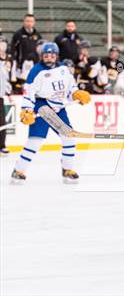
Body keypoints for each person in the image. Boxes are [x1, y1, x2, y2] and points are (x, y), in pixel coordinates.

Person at [10, 42, 91, 183]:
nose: (49, 58)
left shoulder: (64, 69)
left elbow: (71, 88)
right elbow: (28, 93)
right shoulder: (36, 71)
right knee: (36, 141)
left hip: (58, 107)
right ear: (42, 56)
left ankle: (67, 169)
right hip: (42, 106)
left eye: (52, 55)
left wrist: (77, 94)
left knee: (69, 138)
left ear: (56, 56)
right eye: (46, 55)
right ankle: (19, 170)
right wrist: (26, 110)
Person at [10, 14, 43, 94]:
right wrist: (15, 63)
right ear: (24, 22)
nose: (29, 23)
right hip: (21, 67)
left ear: (34, 22)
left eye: (31, 21)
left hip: (34, 66)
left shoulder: (38, 35)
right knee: (21, 89)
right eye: (27, 21)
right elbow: (13, 49)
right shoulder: (18, 34)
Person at [0, 35, 12, 155]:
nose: (2, 45)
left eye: (4, 43)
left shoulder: (8, 60)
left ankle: (2, 145)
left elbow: (5, 79)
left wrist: (8, 92)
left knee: (2, 122)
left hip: (0, 95)